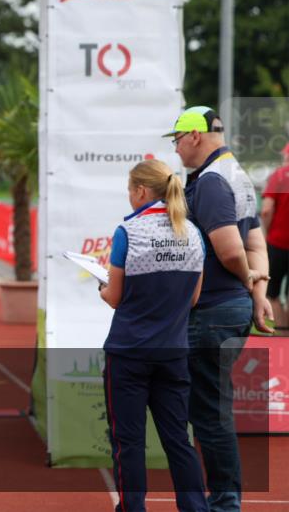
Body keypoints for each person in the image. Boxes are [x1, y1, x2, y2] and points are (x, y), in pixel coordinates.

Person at [163, 106, 273, 512]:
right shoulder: (237, 174)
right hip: (228, 307)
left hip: (211, 309)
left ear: (194, 136)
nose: (175, 148)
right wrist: (258, 293)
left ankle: (225, 502)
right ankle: (221, 498)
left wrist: (246, 283)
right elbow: (256, 246)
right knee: (211, 409)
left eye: (175, 139)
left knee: (209, 413)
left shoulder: (210, 181)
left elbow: (230, 250)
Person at [99, 159, 208, 512]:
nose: (129, 197)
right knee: (179, 439)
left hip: (129, 352)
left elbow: (114, 298)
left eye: (130, 190)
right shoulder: (192, 233)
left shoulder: (128, 233)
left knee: (128, 442)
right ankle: (195, 508)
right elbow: (193, 298)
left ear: (141, 192)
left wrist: (103, 286)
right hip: (173, 351)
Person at [261, 142, 289, 330]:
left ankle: (282, 333)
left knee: (272, 292)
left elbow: (266, 210)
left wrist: (266, 234)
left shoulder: (279, 175)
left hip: (278, 242)